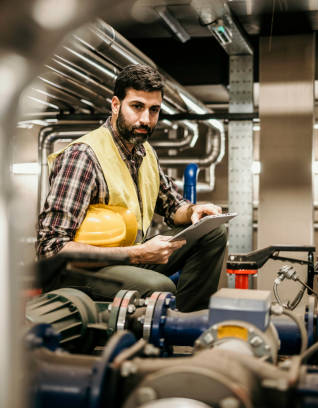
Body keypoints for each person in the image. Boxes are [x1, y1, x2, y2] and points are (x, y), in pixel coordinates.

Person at [36, 64, 226, 312]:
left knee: (213, 233)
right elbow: (51, 250)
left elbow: (172, 205)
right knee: (160, 286)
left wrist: (194, 212)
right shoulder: (83, 157)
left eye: (154, 110)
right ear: (116, 105)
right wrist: (137, 254)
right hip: (79, 271)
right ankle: (165, 327)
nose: (146, 119)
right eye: (137, 107)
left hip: (130, 258)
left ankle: (187, 324)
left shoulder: (145, 152)